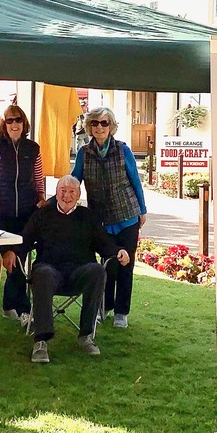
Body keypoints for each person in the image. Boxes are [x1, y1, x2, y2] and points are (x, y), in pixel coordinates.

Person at [2, 176, 129, 363]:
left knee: (97, 271)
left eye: (71, 191)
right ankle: (41, 341)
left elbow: (104, 243)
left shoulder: (88, 216)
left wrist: (119, 251)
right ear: (56, 192)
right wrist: (12, 251)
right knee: (42, 273)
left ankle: (86, 335)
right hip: (50, 270)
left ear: (78, 195)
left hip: (80, 271)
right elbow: (25, 239)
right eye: (63, 190)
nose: (67, 195)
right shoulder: (42, 215)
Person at [72, 106, 147, 329]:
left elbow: (135, 181)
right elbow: (75, 181)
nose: (99, 128)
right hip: (101, 219)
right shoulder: (84, 153)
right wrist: (57, 200)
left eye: (104, 123)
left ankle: (121, 312)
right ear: (89, 127)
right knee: (105, 266)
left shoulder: (123, 150)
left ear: (111, 126)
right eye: (95, 123)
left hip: (127, 216)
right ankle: (104, 307)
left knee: (125, 265)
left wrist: (142, 210)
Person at [0, 105, 46, 322]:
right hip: (0, 216)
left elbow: (39, 178)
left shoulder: (33, 148)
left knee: (18, 259)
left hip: (27, 214)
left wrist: (42, 200)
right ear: (4, 125)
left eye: (18, 120)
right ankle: (24, 310)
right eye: (9, 121)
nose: (14, 124)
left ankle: (10, 306)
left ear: (24, 124)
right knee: (10, 259)